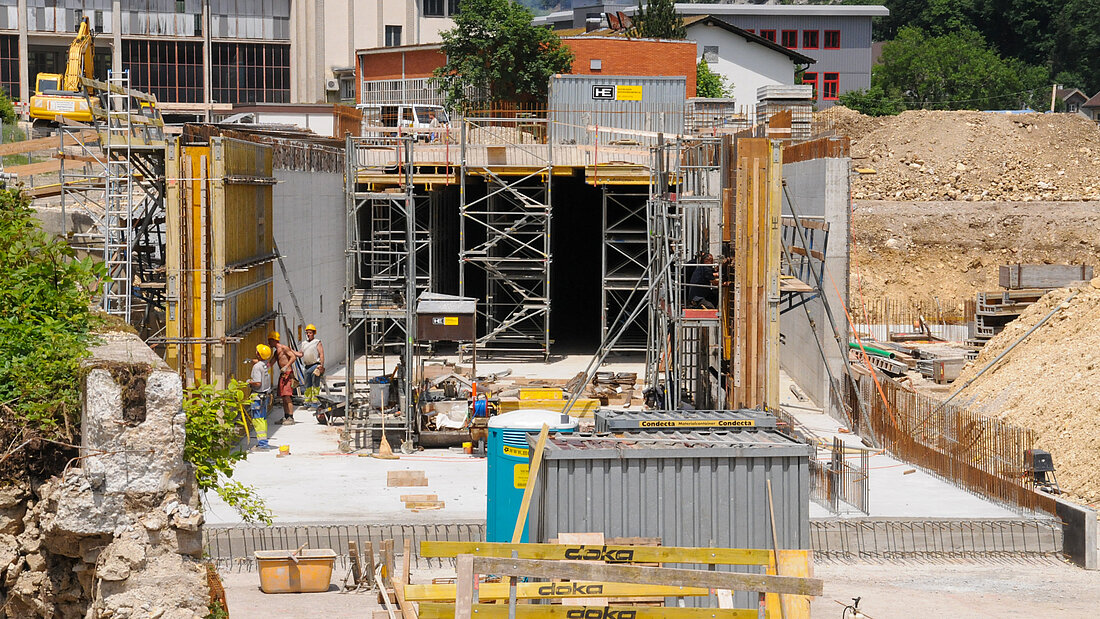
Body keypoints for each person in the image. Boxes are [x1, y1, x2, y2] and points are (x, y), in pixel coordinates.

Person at [268, 330, 303, 424]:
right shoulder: (276, 352)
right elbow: (270, 363)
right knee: (283, 397)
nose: (269, 343)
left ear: (274, 340)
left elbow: (293, 357)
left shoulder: (284, 348)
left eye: (269, 340)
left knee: (287, 396)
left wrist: (286, 366)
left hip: (288, 374)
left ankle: (291, 418)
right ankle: (286, 416)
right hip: (283, 375)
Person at [248, 344, 274, 450]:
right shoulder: (265, 364)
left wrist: (248, 382)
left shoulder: (257, 367)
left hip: (257, 396)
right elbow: (261, 364)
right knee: (262, 419)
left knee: (257, 420)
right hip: (265, 396)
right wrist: (252, 361)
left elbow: (258, 383)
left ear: (259, 354)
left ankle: (262, 444)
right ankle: (264, 442)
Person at [300, 324, 326, 407]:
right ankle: (307, 401)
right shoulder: (304, 343)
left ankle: (315, 402)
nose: (308, 334)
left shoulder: (317, 342)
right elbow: (301, 354)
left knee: (315, 384)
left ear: (314, 333)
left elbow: (321, 354)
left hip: (315, 365)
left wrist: (321, 365)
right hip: (307, 366)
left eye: (310, 333)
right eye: (307, 333)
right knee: (307, 385)